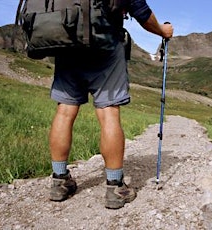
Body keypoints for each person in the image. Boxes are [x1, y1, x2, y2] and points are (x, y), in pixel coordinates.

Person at [48, 0, 173, 209]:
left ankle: (59, 181)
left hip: (67, 46)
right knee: (108, 113)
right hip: (104, 44)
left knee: (65, 111)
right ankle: (115, 187)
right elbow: (141, 12)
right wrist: (162, 30)